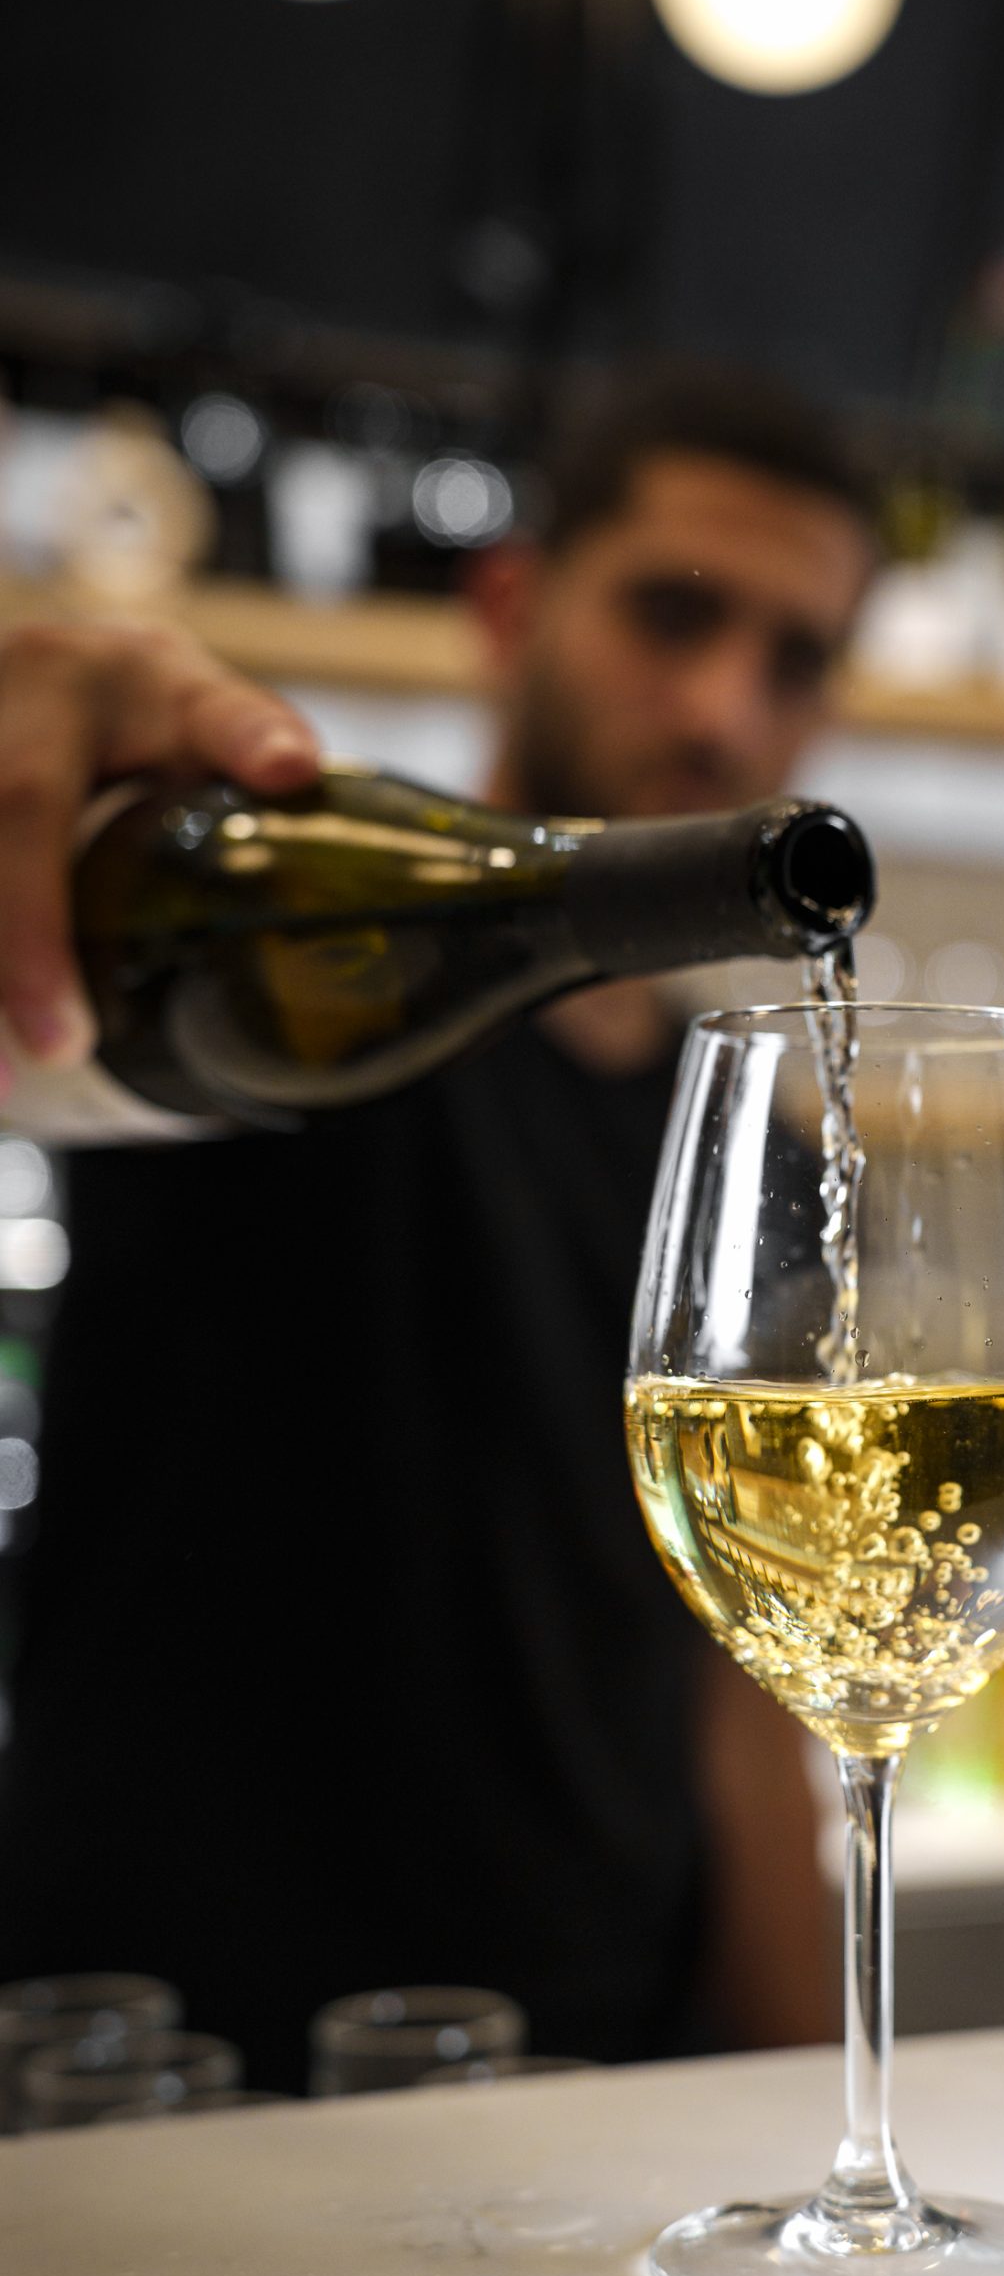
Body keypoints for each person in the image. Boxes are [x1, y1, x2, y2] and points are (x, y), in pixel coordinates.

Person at [0, 368, 878, 2091]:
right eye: (673, 613)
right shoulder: (300, 968)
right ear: (509, 606)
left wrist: (812, 2128)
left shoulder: (762, 1152)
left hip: (599, 2085)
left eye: (794, 659)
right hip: (189, 2085)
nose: (722, 705)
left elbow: (741, 1706)